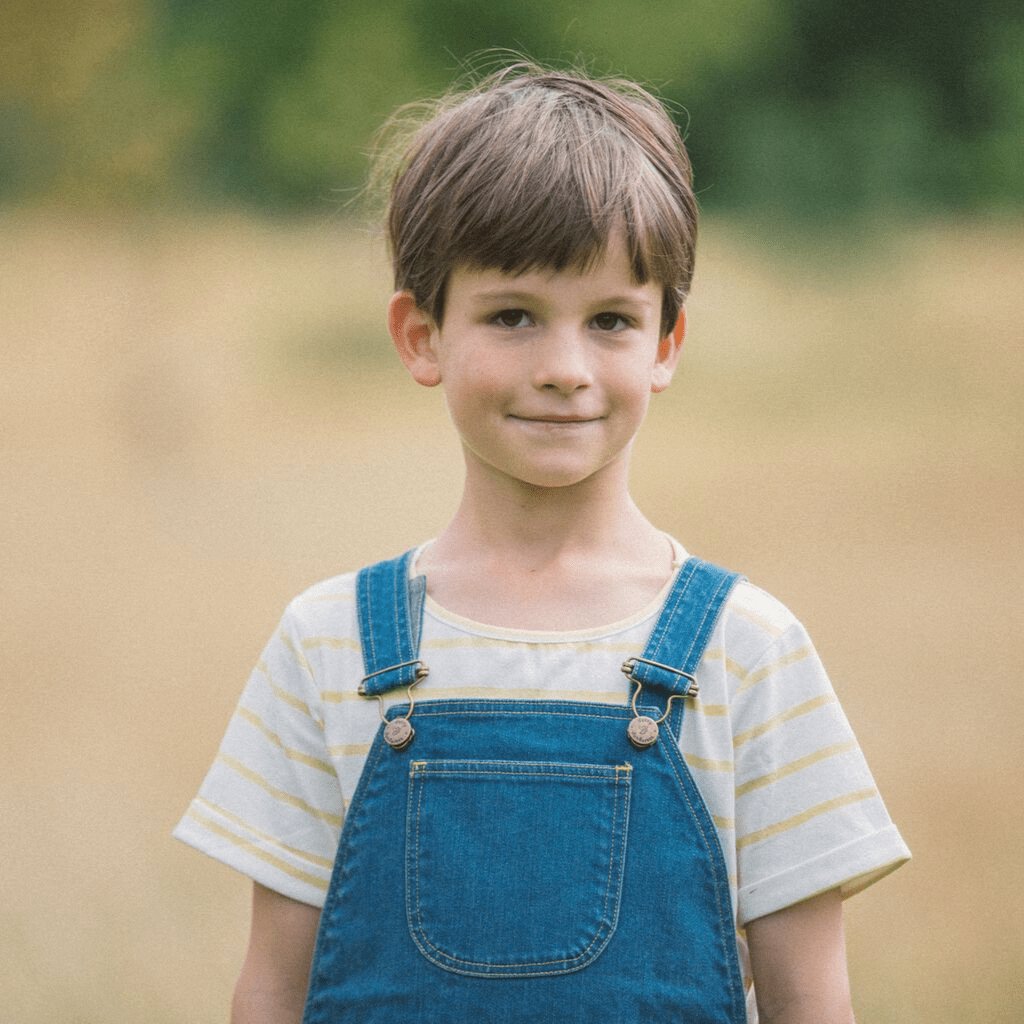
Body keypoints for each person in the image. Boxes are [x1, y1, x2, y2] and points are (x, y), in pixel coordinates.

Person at [174, 63, 910, 1024]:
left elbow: (814, 1003)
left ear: (667, 343)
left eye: (610, 321)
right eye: (513, 315)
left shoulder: (750, 651)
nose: (564, 369)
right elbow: (271, 989)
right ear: (421, 334)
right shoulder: (329, 645)